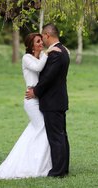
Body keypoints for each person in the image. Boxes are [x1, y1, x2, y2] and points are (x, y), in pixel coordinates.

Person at [0, 33, 60, 179]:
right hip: (31, 101)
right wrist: (48, 52)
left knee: (34, 131)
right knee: (43, 128)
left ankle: (33, 161)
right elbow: (39, 69)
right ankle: (34, 164)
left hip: (39, 98)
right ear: (31, 45)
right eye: (38, 42)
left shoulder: (40, 57)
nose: (41, 43)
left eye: (41, 41)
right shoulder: (27, 58)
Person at [26, 23, 70, 177]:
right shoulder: (63, 50)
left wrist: (35, 91)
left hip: (52, 102)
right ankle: (63, 168)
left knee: (56, 137)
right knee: (61, 135)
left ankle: (57, 171)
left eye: (42, 38)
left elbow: (48, 78)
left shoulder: (56, 54)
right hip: (59, 100)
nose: (42, 41)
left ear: (47, 35)